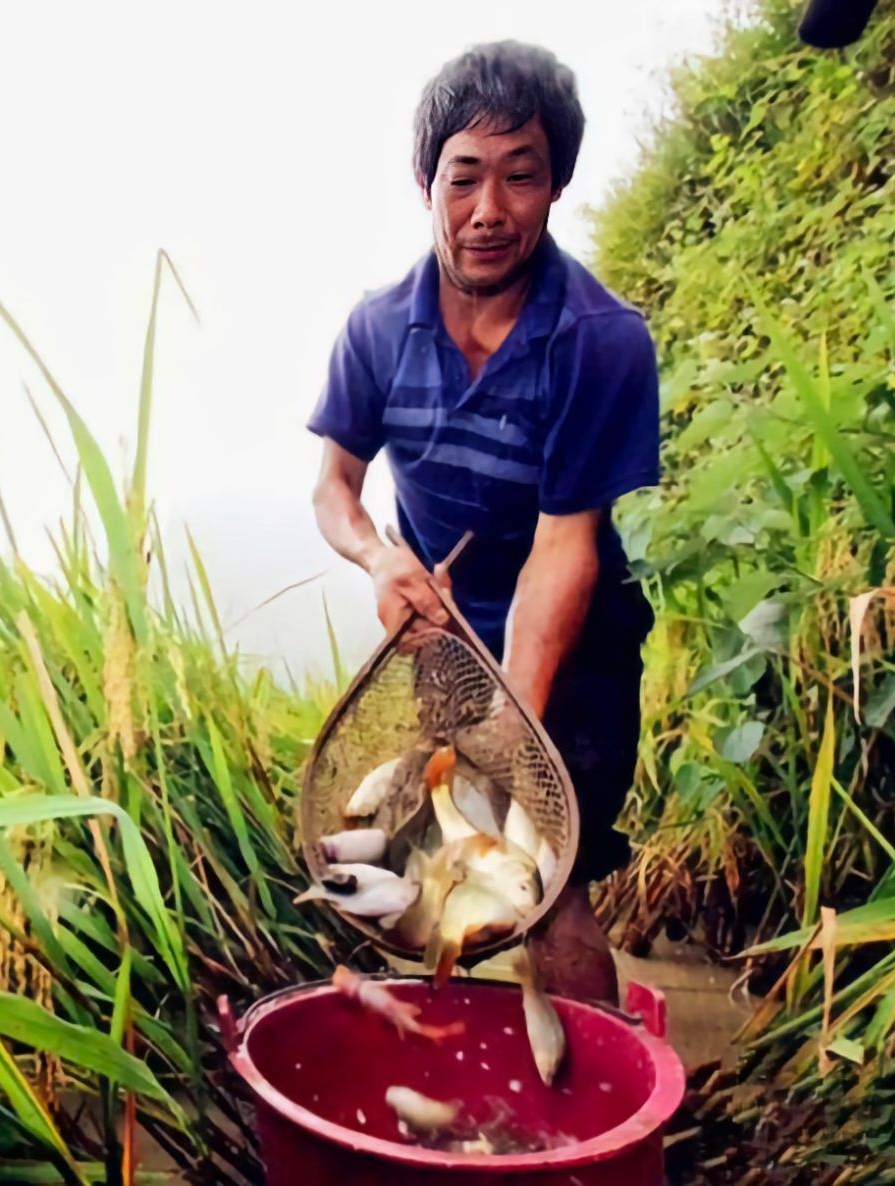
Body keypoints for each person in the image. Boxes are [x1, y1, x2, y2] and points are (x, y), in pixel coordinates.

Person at [308, 41, 660, 1004]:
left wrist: (516, 732)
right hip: (446, 639)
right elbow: (334, 487)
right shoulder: (376, 330)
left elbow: (565, 550)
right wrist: (380, 559)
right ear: (426, 181)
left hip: (575, 637)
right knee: (431, 872)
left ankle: (595, 1128)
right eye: (464, 177)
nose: (488, 211)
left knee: (549, 885)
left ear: (556, 188)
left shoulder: (601, 343)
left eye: (521, 177)